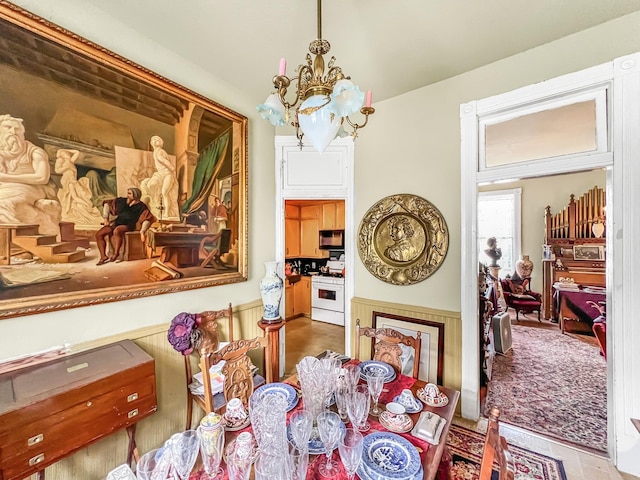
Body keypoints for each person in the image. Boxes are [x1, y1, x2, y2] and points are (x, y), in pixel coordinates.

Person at [0, 114, 61, 235]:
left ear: (22, 134)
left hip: (33, 187)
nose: (13, 132)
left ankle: (17, 242)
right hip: (5, 188)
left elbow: (42, 178)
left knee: (4, 204)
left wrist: (6, 178)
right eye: (8, 127)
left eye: (17, 129)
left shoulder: (35, 152)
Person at [95, 187, 156, 265]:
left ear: (136, 195)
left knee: (117, 231)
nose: (127, 195)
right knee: (99, 234)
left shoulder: (141, 206)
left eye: (130, 193)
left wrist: (142, 231)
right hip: (116, 222)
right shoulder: (122, 201)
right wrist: (105, 218)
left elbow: (146, 219)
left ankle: (116, 253)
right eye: (128, 193)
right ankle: (103, 256)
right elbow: (107, 204)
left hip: (128, 225)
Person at [54, 148, 102, 224]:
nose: (67, 154)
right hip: (68, 180)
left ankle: (81, 207)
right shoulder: (60, 160)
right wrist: (66, 165)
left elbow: (77, 152)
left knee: (78, 195)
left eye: (67, 153)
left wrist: (66, 150)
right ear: (61, 155)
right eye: (65, 154)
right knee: (73, 196)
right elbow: (57, 170)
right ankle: (68, 210)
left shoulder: (70, 161)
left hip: (73, 180)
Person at [140, 135, 179, 220]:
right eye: (153, 139)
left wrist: (171, 167)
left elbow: (163, 160)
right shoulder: (155, 151)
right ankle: (156, 204)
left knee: (165, 192)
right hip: (160, 174)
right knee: (150, 185)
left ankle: (166, 213)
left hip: (167, 174)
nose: (154, 141)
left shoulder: (160, 151)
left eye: (156, 139)